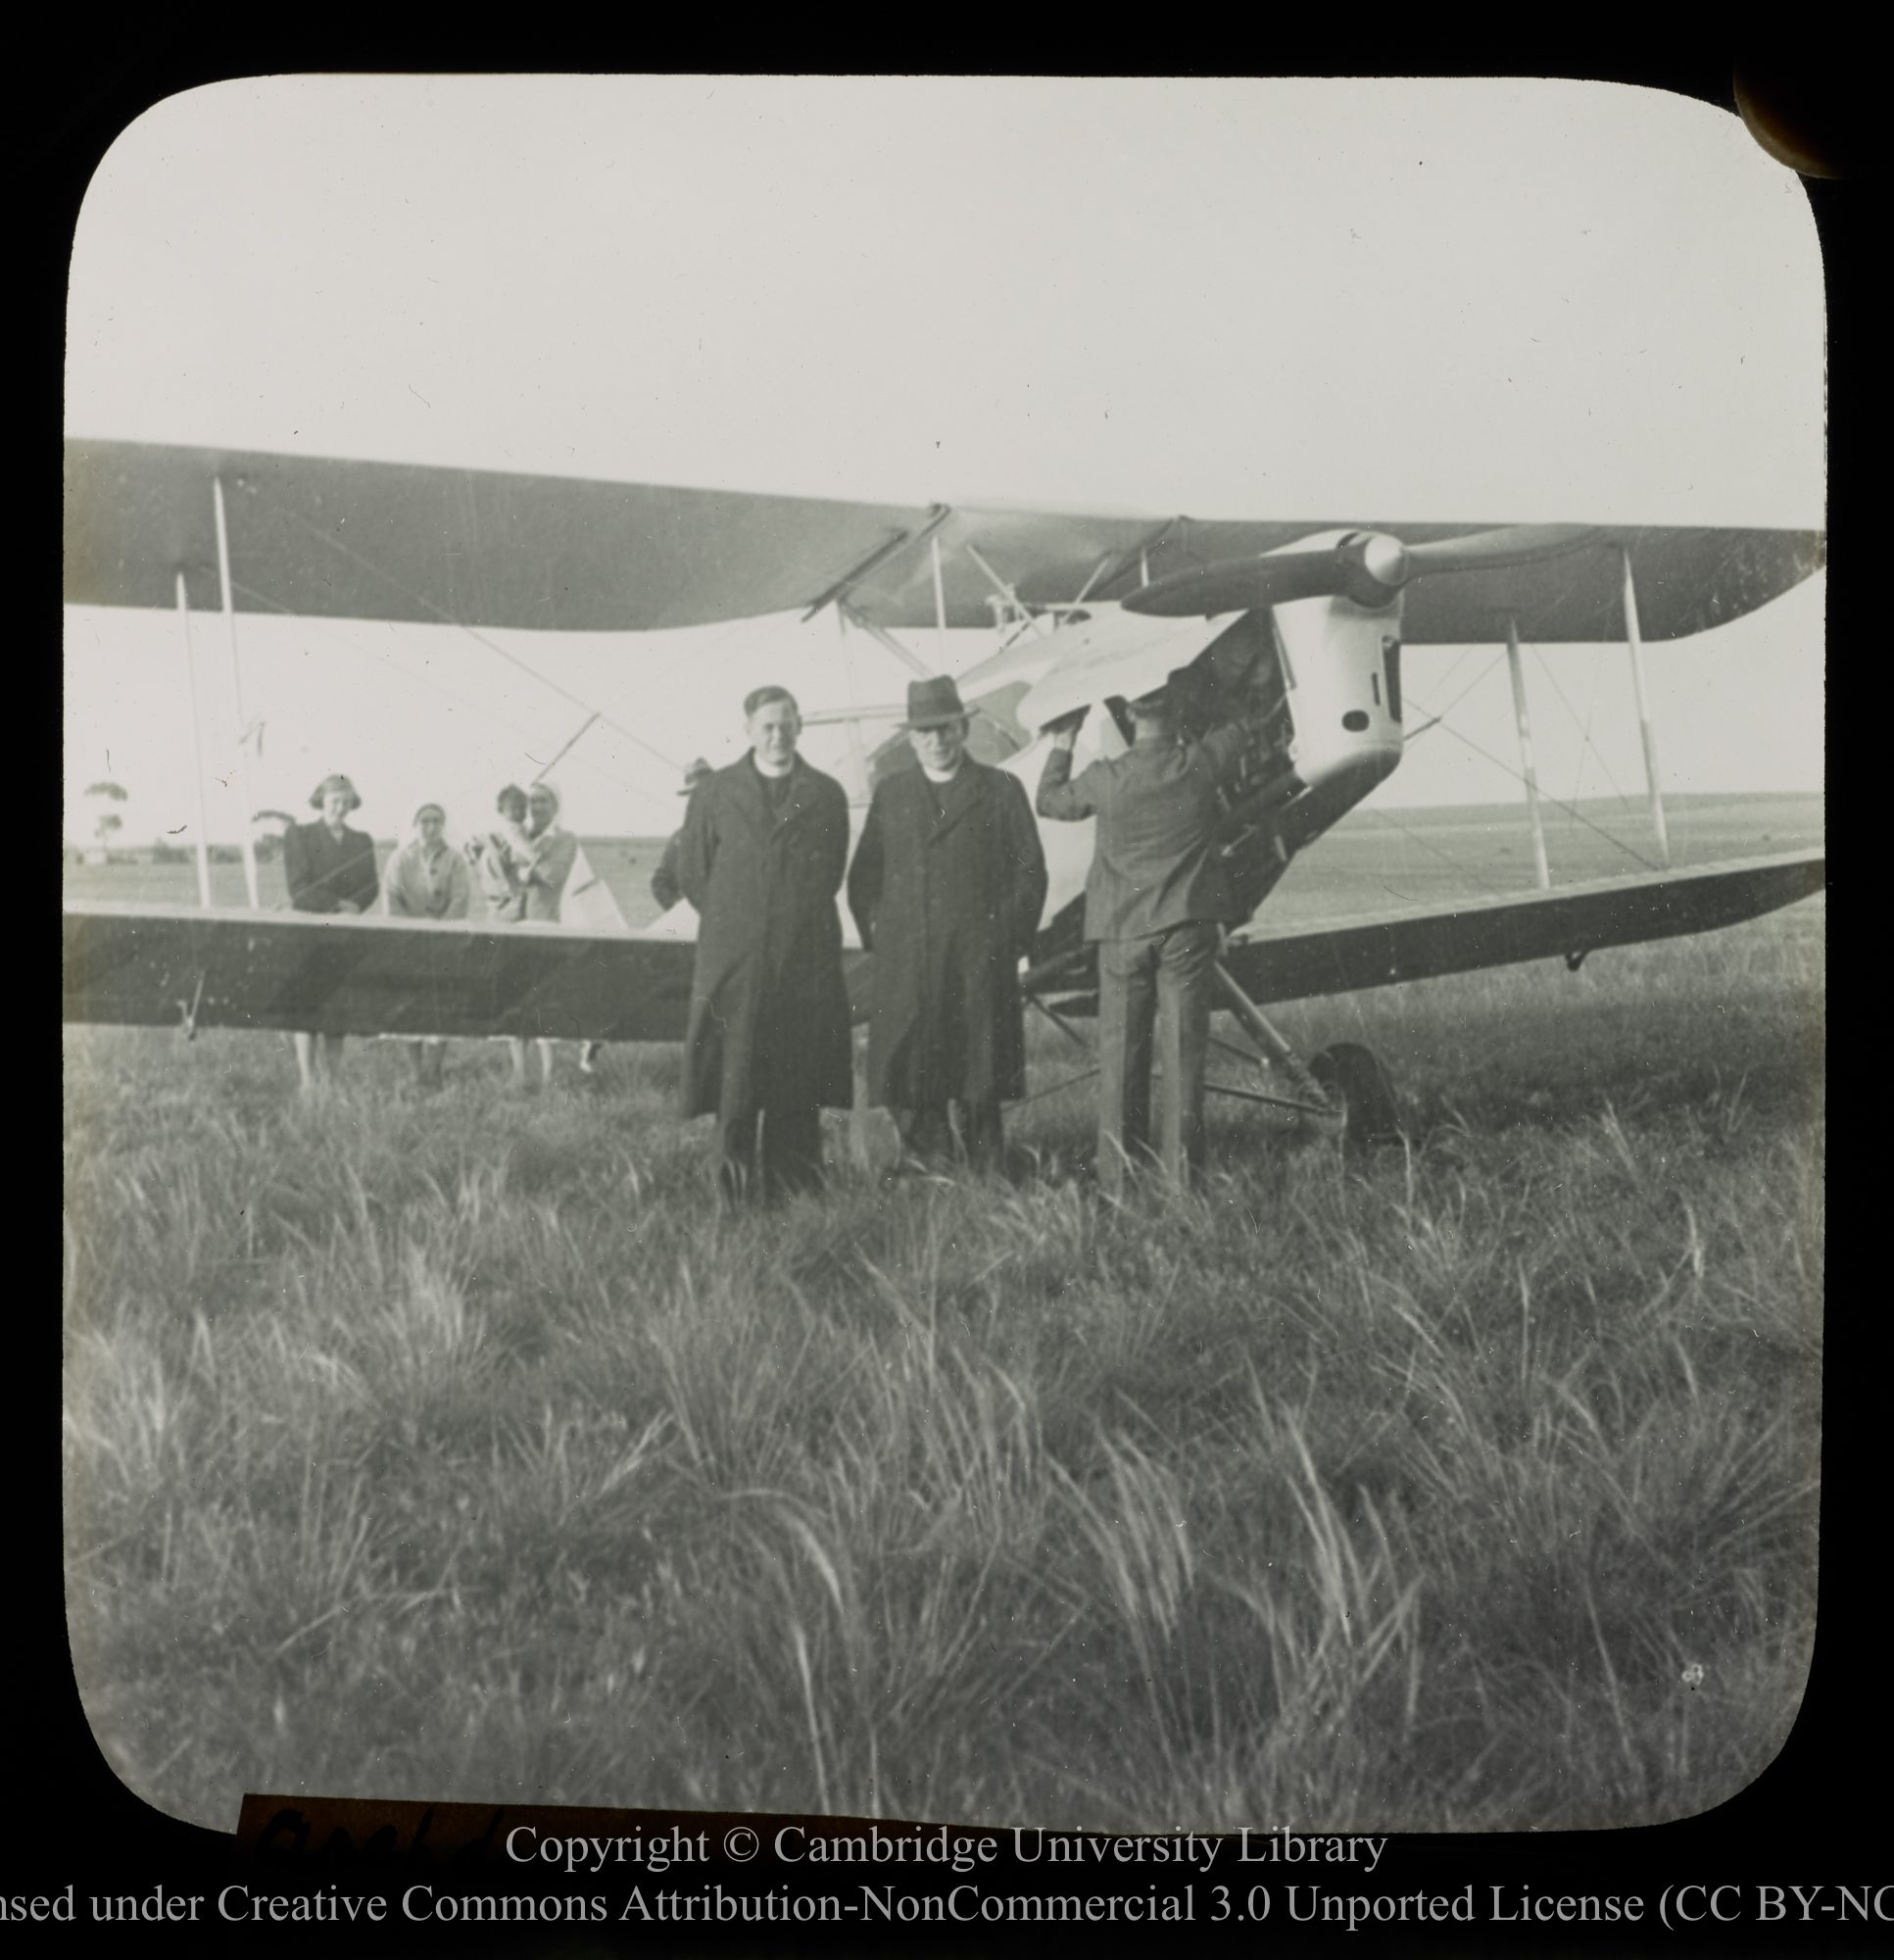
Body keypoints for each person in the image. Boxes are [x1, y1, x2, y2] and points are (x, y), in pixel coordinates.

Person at [1035, 686, 1254, 1200]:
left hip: (1120, 932)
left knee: (1121, 1058)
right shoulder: (1199, 764)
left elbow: (1049, 800)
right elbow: (1242, 725)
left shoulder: (1106, 779)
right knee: (1183, 1052)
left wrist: (1063, 741)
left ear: (1130, 715)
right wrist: (1215, 701)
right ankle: (1181, 1184)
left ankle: (1117, 1180)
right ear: (1177, 712)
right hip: (1184, 929)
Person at [847, 677, 1047, 1174]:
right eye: (925, 732)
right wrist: (885, 942)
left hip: (978, 958)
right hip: (909, 961)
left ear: (962, 728)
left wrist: (1005, 940)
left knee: (979, 1066)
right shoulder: (892, 795)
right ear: (911, 738)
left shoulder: (1000, 790)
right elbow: (863, 877)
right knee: (912, 1066)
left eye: (945, 729)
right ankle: (929, 1167)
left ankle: (986, 1173)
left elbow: (1030, 873)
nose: (936, 741)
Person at [678, 687, 852, 1202]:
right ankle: (729, 1198)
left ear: (800, 725)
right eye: (767, 727)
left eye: (787, 724)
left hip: (803, 962)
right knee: (735, 1083)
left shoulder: (825, 793)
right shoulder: (715, 793)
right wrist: (743, 922)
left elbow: (831, 872)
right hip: (736, 963)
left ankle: (793, 1196)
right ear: (749, 730)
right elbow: (694, 875)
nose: (778, 736)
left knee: (795, 1084)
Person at [283, 773, 379, 1091]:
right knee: (307, 1007)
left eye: (346, 801)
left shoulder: (362, 840)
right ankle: (309, 1082)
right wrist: (338, 904)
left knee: (337, 1010)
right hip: (309, 931)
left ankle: (334, 1080)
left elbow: (371, 887)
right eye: (334, 800)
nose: (340, 807)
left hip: (345, 934)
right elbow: (298, 888)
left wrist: (354, 908)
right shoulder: (300, 835)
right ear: (321, 801)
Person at [381, 802, 471, 1088]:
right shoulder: (399, 859)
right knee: (409, 1005)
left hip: (443, 943)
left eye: (436, 821)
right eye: (425, 822)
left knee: (440, 1005)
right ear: (414, 825)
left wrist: (441, 930)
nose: (431, 827)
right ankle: (415, 1072)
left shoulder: (455, 859)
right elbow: (391, 898)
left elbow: (460, 898)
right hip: (408, 943)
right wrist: (410, 932)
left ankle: (434, 1071)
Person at [650, 758, 713, 912]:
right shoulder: (679, 839)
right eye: (694, 795)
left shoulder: (734, 832)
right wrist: (680, 909)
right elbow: (660, 882)